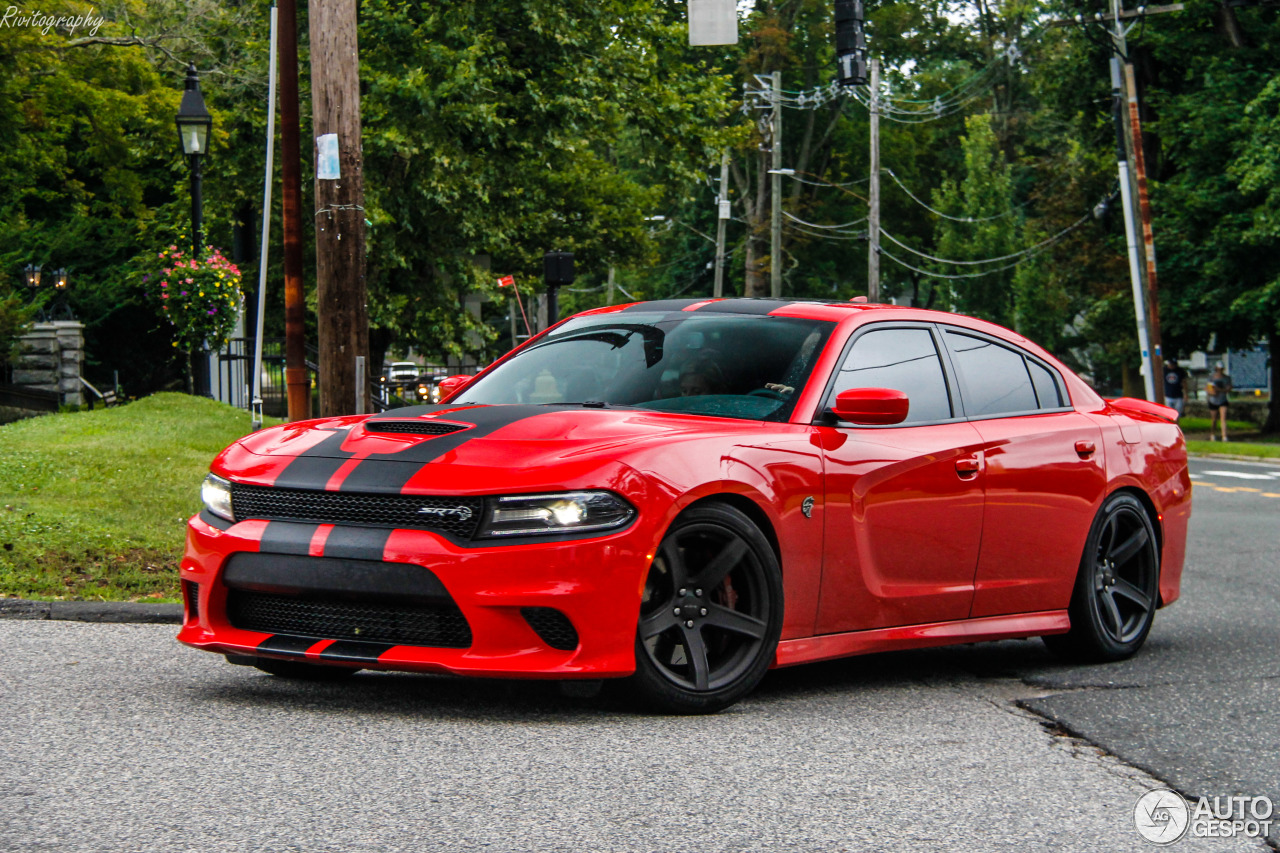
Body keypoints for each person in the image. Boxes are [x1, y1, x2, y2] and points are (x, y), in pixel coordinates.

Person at [1206, 362, 1232, 442]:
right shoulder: (1211, 378)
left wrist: (1219, 390)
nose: (1220, 371)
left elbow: (1228, 389)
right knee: (1214, 419)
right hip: (1213, 400)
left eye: (1221, 369)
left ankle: (1224, 436)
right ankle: (1212, 434)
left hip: (1223, 400)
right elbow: (1208, 389)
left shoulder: (1227, 378)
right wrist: (1212, 392)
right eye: (1218, 369)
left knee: (1223, 417)